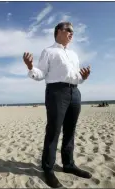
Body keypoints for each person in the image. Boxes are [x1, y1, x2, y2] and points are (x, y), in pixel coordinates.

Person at [23, 21, 92, 188]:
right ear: (59, 31)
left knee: (70, 130)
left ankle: (68, 165)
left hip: (74, 93)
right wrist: (31, 67)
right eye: (69, 30)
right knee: (53, 131)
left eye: (73, 31)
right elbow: (40, 74)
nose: (72, 33)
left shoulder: (74, 54)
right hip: (56, 92)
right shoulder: (49, 51)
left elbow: (75, 77)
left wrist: (83, 77)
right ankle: (48, 169)